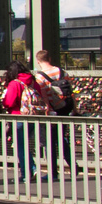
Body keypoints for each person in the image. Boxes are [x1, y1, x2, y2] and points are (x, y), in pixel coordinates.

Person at [31, 49, 74, 177]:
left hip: (53, 110)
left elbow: (44, 96)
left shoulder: (40, 76)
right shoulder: (62, 72)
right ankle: (73, 166)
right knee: (61, 137)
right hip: (65, 107)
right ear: (49, 59)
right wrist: (75, 108)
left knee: (50, 141)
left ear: (38, 61)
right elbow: (70, 91)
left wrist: (47, 109)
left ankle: (53, 172)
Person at [1, 60, 38, 183]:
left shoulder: (14, 83)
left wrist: (4, 102)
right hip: (33, 116)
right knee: (26, 145)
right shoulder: (32, 81)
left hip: (18, 117)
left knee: (20, 146)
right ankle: (32, 167)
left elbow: (9, 102)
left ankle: (27, 173)